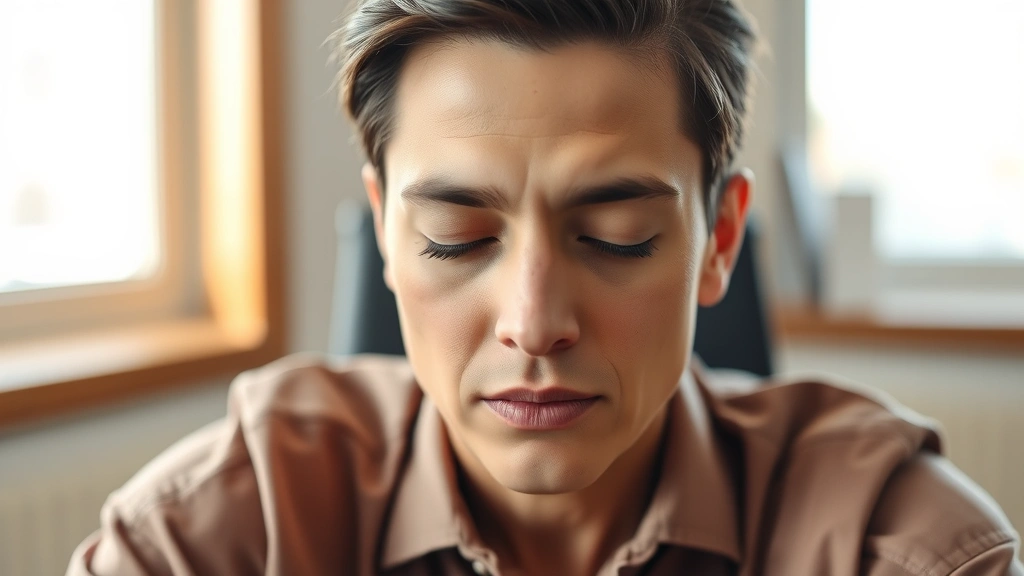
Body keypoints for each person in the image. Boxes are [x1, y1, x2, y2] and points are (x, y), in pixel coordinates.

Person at [68, 0, 1022, 574]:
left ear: (719, 237)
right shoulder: (219, 536)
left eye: (617, 236)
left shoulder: (891, 546)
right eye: (456, 238)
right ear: (387, 236)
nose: (534, 323)